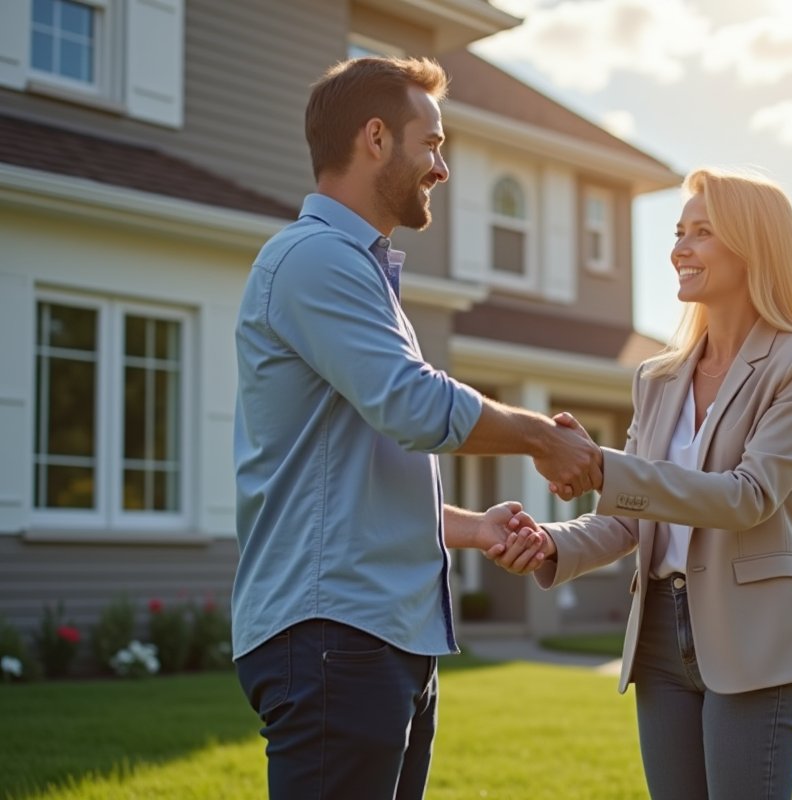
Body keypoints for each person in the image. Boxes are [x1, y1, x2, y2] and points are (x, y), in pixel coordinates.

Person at [231, 56, 601, 800]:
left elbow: (352, 480)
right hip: (336, 634)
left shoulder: (358, 274)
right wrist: (542, 437)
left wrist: (473, 528)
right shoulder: (314, 261)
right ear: (375, 138)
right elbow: (413, 406)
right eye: (430, 144)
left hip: (378, 638)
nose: (442, 168)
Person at [491, 166, 792, 800]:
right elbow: (630, 517)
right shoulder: (657, 378)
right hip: (657, 632)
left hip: (755, 636)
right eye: (679, 231)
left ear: (753, 246)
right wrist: (552, 543)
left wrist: (603, 468)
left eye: (702, 232)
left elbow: (747, 497)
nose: (679, 248)